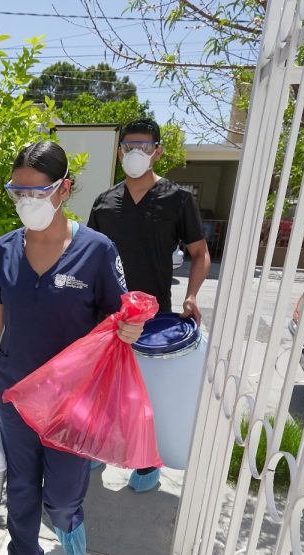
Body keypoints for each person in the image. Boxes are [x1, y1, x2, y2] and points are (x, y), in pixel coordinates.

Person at [0, 141, 145, 555]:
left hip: (75, 400)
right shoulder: (3, 249)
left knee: (64, 491)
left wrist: (130, 329)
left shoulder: (97, 250)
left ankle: (69, 519)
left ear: (64, 189)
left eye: (38, 192)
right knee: (23, 481)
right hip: (16, 389)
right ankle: (22, 554)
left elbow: (119, 318)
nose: (27, 202)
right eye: (18, 193)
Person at [87, 118, 211, 493]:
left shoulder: (177, 199)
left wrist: (191, 295)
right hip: (108, 316)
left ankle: (146, 462)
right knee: (103, 390)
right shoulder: (105, 202)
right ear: (119, 150)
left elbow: (200, 253)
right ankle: (97, 449)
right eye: (128, 146)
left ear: (157, 151)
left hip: (153, 321)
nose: (134, 153)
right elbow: (90, 257)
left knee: (146, 396)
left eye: (143, 146)